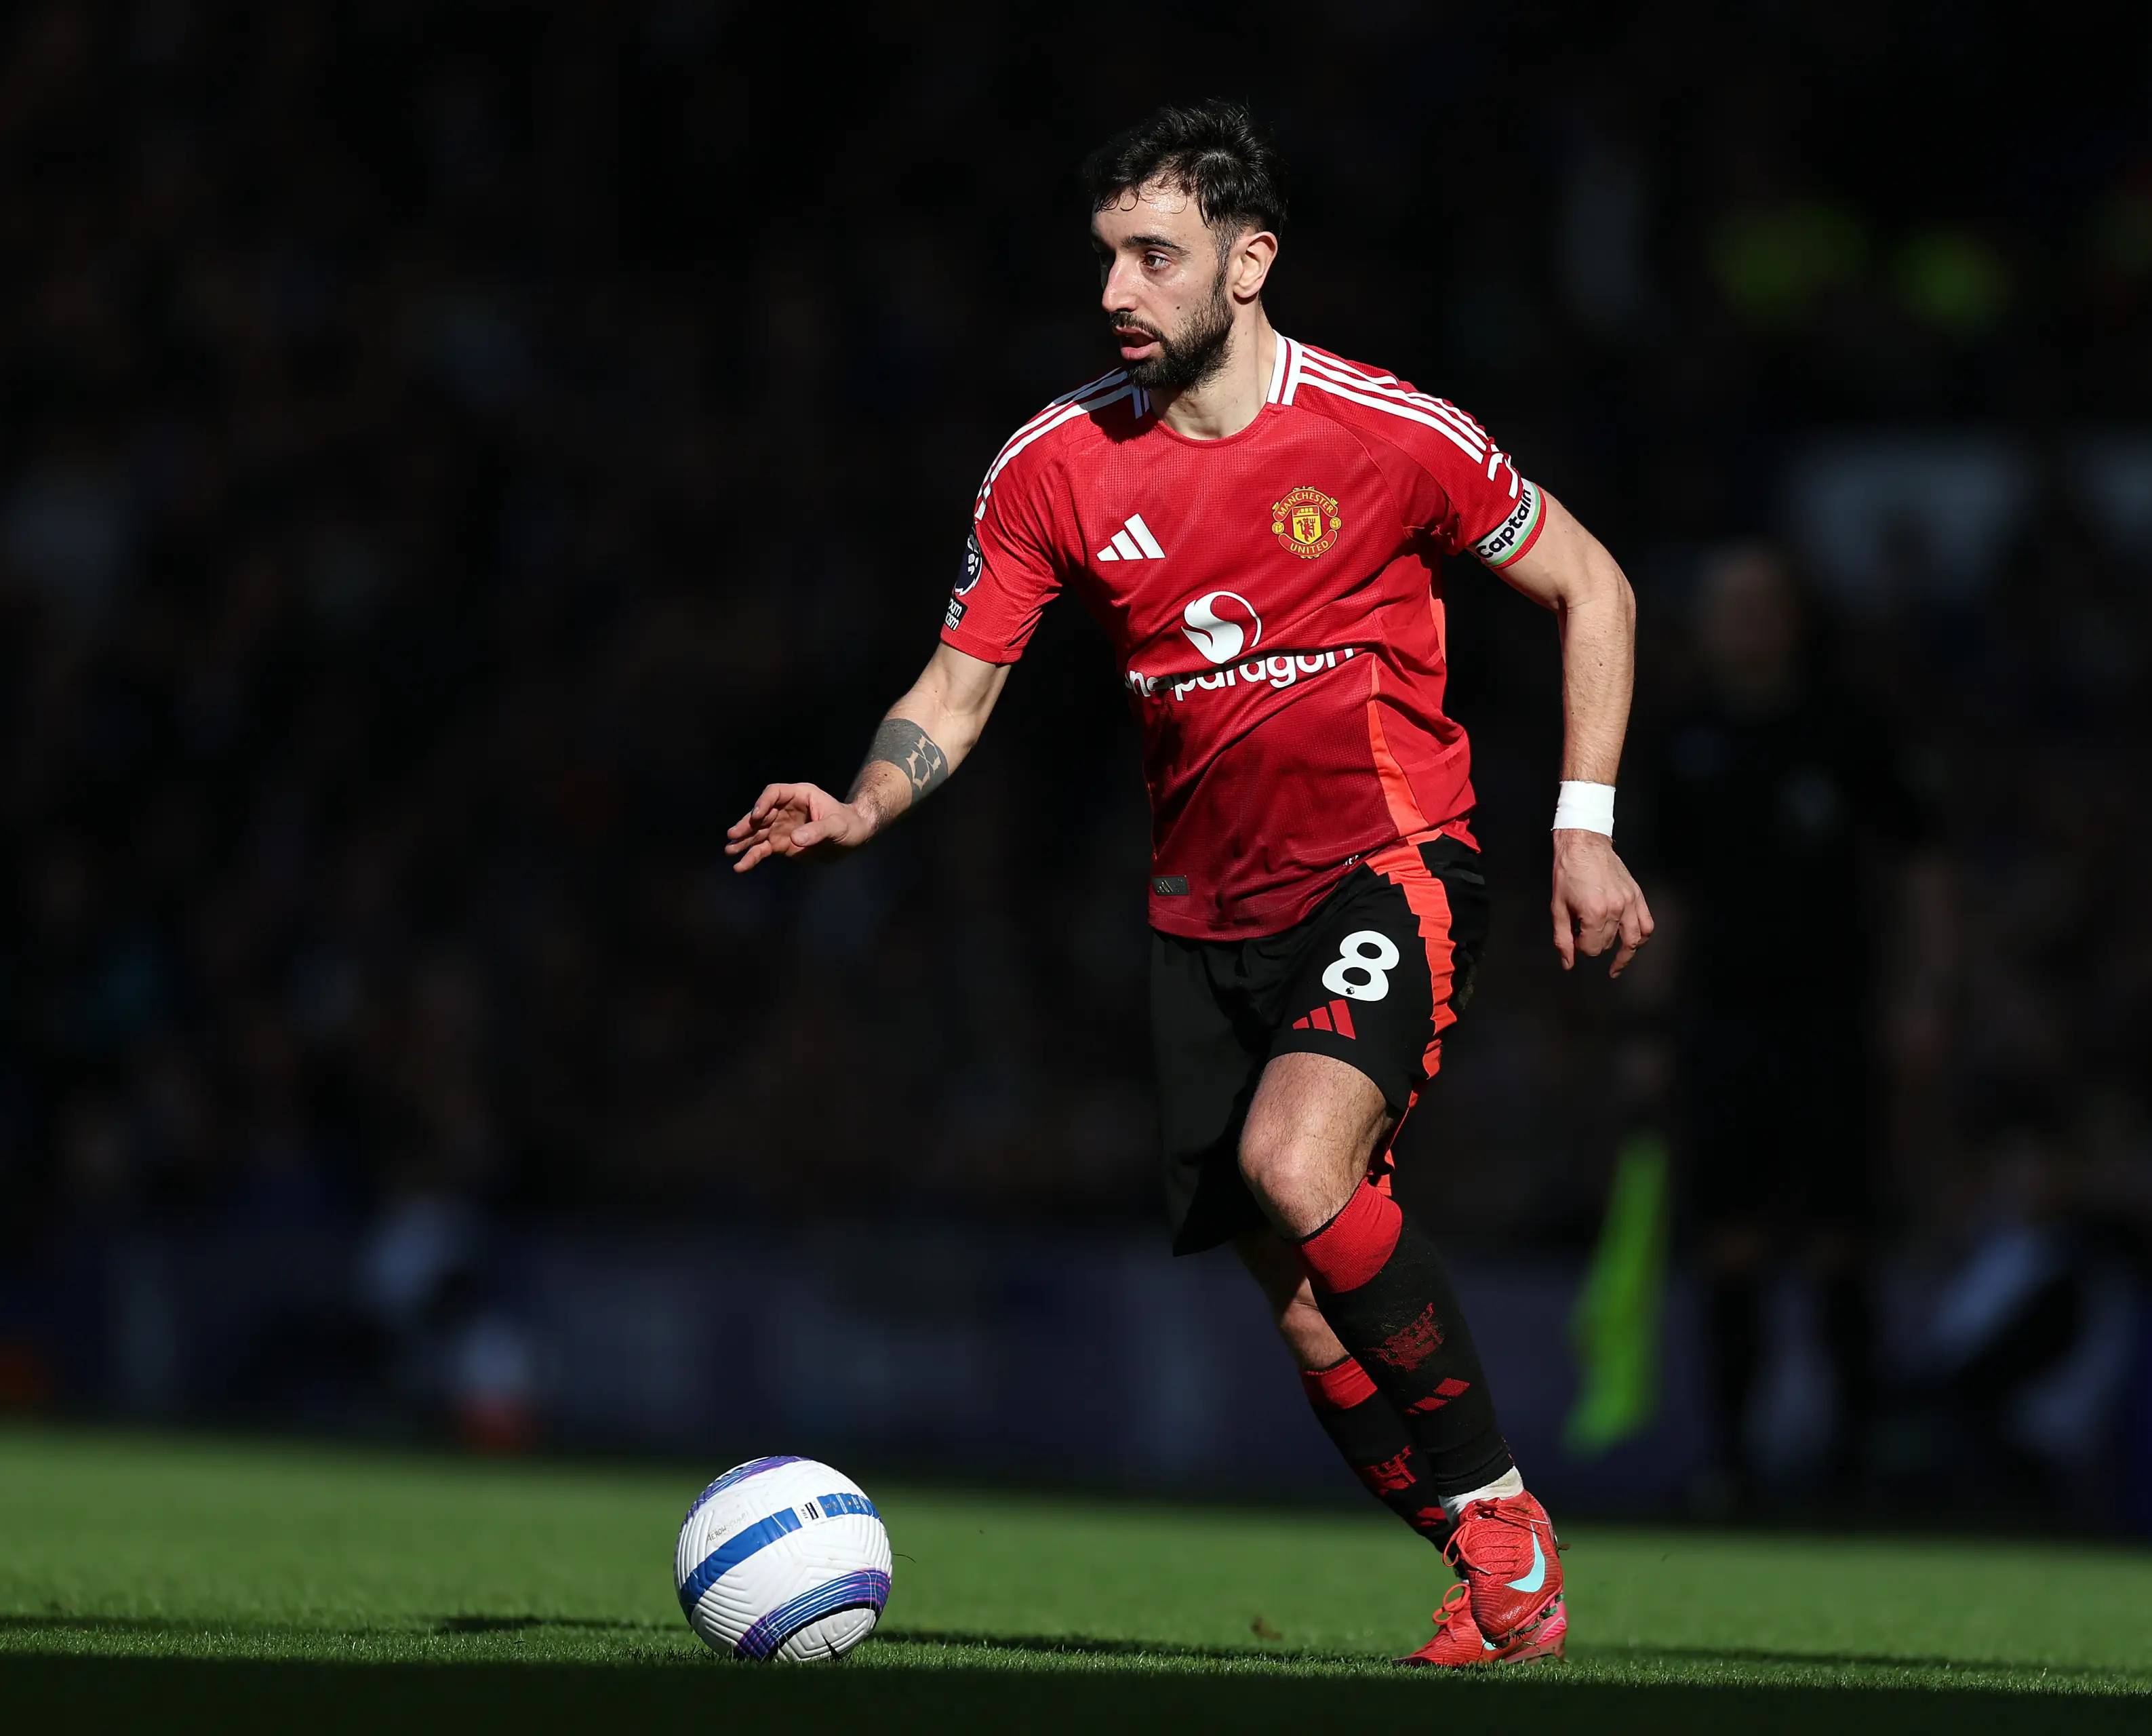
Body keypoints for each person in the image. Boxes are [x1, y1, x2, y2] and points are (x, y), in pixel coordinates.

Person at [726, 102, 1652, 1667]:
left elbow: (1594, 581)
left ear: (1250, 259)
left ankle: (1504, 1508)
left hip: (1393, 860)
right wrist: (867, 798)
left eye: (1154, 255)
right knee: (1302, 1305)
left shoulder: (1386, 430)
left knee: (1301, 1160)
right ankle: (1495, 1564)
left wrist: (1581, 822)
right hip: (1202, 921)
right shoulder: (1057, 465)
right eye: (1107, 257)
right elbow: (956, 689)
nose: (1117, 289)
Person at [1647, 545, 1940, 1512]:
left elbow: (1923, 868)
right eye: (1730, 607)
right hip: (1724, 1024)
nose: (1748, 624)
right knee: (1728, 1243)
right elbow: (1667, 899)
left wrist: (1920, 996)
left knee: (1839, 1240)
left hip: (1834, 1018)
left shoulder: (1848, 730)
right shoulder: (1684, 741)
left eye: (1764, 605)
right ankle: (1730, 1463)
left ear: (1796, 617)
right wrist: (1645, 1028)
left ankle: (1851, 1464)